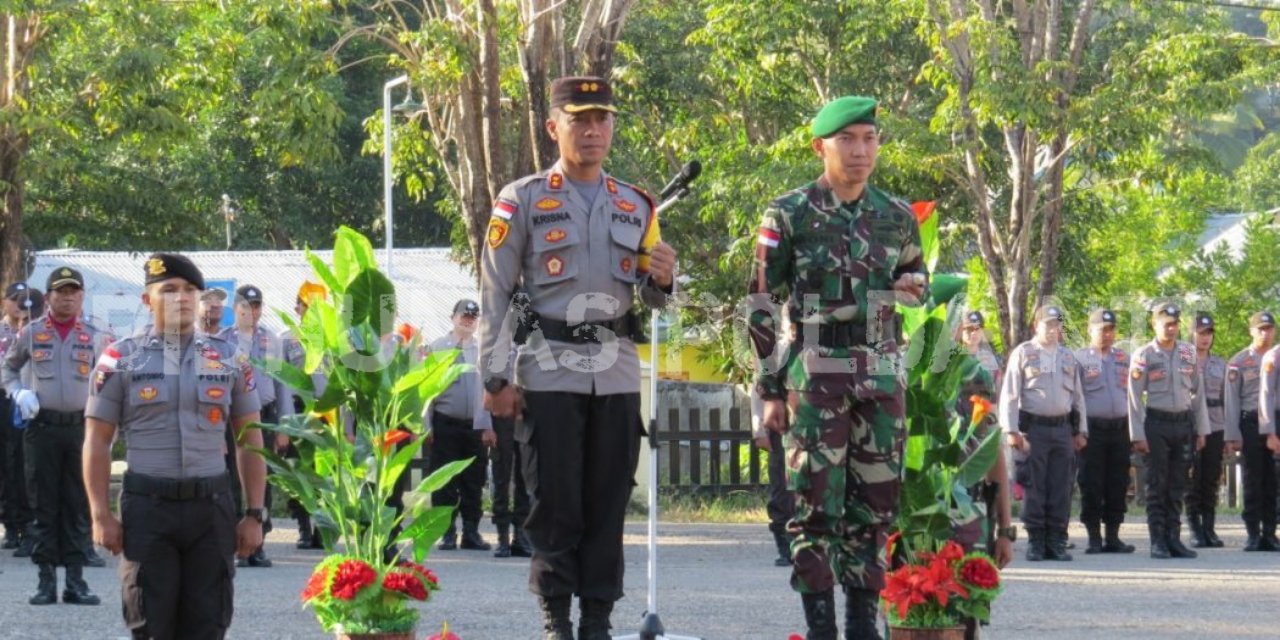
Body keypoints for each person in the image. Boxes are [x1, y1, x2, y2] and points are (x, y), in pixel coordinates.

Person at [478, 76, 675, 640]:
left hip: (615, 372)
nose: (592, 130)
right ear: (553, 127)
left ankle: (597, 620)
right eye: (579, 119)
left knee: (609, 502)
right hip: (549, 366)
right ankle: (556, 619)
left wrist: (664, 277)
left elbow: (652, 295)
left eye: (602, 119)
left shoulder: (635, 204)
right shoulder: (522, 199)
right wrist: (495, 374)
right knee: (556, 500)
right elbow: (496, 290)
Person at [749, 95, 927, 640]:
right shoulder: (789, 213)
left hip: (880, 374)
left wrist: (910, 292)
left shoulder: (897, 216)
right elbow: (759, 302)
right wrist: (771, 389)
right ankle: (821, 625)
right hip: (816, 376)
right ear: (819, 146)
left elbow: (916, 285)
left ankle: (861, 626)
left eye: (869, 139)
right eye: (847, 140)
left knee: (876, 507)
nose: (860, 151)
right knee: (815, 506)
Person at [84, 252, 265, 639]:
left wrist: (254, 513)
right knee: (150, 624)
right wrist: (100, 515)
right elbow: (97, 441)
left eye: (188, 290)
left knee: (209, 624)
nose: (180, 297)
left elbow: (250, 440)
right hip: (149, 510)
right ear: (148, 300)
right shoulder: (120, 358)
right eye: (168, 290)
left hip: (211, 510)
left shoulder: (230, 358)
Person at [2, 267, 104, 605]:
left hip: (80, 429)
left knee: (77, 505)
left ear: (82, 296)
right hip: (41, 429)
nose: (68, 297)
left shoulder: (94, 335)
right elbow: (8, 368)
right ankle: (46, 581)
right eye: (61, 292)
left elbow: (108, 378)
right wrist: (18, 392)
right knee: (43, 505)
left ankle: (75, 581)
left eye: (74, 291)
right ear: (48, 298)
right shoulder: (31, 333)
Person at [999, 305, 1086, 562]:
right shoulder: (1024, 353)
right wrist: (1011, 430)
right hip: (1033, 431)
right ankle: (1036, 540)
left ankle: (1056, 540)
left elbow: (1078, 398)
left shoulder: (1068, 357)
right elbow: (1010, 395)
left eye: (1056, 324)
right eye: (1047, 324)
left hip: (1062, 430)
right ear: (1036, 325)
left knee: (1062, 486)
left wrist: (1081, 431)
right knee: (1034, 486)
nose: (1052, 329)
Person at [218, 284, 292, 568]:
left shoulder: (272, 341)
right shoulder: (222, 340)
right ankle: (235, 543)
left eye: (257, 306)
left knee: (264, 481)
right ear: (236, 309)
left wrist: (284, 426)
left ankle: (258, 542)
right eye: (246, 307)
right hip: (232, 418)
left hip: (265, 415)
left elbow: (283, 384)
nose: (253, 312)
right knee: (233, 481)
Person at [1128, 304, 1209, 559]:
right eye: (1166, 324)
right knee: (1157, 484)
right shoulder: (1144, 355)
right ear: (1154, 324)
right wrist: (1137, 435)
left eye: (1175, 324)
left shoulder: (1187, 353)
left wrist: (1202, 429)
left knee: (1178, 484)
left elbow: (1198, 393)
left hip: (1183, 425)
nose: (1171, 328)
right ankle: (1157, 540)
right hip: (1156, 425)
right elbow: (1133, 397)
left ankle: (1174, 538)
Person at [424, 299, 491, 552]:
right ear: (453, 317)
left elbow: (488, 388)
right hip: (445, 424)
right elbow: (426, 390)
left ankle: (471, 532)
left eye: (473, 317)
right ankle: (447, 532)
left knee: (474, 481)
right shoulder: (437, 348)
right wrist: (426, 424)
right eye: (464, 316)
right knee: (444, 482)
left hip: (474, 425)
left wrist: (488, 425)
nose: (468, 320)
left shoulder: (482, 349)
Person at [955, 311, 1014, 569]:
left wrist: (1005, 530)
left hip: (971, 511)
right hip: (920, 515)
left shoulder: (977, 378)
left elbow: (993, 452)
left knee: (971, 601)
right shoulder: (908, 376)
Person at [1074, 309, 1136, 554]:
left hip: (1120, 429)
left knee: (1118, 482)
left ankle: (1113, 536)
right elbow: (1074, 397)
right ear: (1090, 330)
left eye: (1111, 329)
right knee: (1091, 482)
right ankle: (1093, 537)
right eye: (1102, 329)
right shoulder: (1078, 359)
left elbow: (1133, 393)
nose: (1107, 334)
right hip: (1092, 430)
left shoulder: (1124, 358)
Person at [279, 281, 328, 550]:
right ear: (297, 308)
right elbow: (282, 383)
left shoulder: (332, 339)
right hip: (298, 412)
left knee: (325, 473)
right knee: (298, 472)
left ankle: (323, 528)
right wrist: (285, 422)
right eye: (305, 305)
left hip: (326, 413)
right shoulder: (286, 339)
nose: (309, 310)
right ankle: (303, 528)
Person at [1188, 313, 1237, 549]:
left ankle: (1209, 527)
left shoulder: (1221, 364)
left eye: (1209, 333)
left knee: (1210, 478)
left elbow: (1227, 400)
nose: (1205, 338)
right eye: (1200, 333)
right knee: (1192, 479)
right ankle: (1195, 529)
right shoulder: (1182, 361)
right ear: (1191, 334)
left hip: (1216, 425)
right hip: (1191, 427)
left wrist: (1229, 435)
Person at [481, 339, 532, 559]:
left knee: (524, 478)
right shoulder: (495, 349)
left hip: (524, 418)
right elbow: (482, 391)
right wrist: (485, 426)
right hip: (499, 420)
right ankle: (502, 537)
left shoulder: (532, 347)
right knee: (501, 478)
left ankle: (520, 536)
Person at [1, 283, 40, 555]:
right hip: (3, 400)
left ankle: (27, 525)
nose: (19, 305)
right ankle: (10, 524)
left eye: (24, 300)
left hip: (28, 400)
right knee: (5, 464)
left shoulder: (36, 331)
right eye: (15, 300)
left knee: (24, 464)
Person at [750, 382, 795, 567]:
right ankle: (786, 546)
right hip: (781, 424)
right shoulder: (775, 353)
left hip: (821, 421)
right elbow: (760, 385)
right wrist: (758, 430)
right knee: (782, 489)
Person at [1249, 312, 1280, 550]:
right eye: (1262, 328)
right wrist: (1270, 431)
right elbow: (1266, 395)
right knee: (1263, 480)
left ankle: (1270, 533)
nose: (1266, 333)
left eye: (1270, 328)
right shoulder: (1274, 356)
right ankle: (1257, 533)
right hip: (1274, 421)